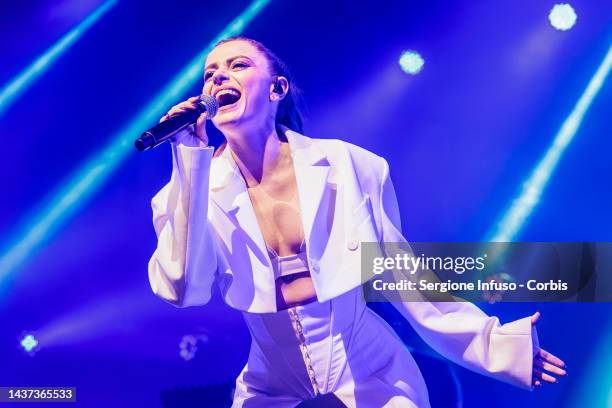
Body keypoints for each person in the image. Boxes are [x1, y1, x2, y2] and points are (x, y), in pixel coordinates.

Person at [147, 36, 566, 407]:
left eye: (238, 65)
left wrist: (499, 347)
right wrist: (189, 160)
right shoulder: (183, 195)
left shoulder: (346, 165)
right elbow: (184, 289)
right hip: (268, 379)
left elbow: (404, 275)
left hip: (369, 366)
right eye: (209, 74)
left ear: (277, 88)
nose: (218, 79)